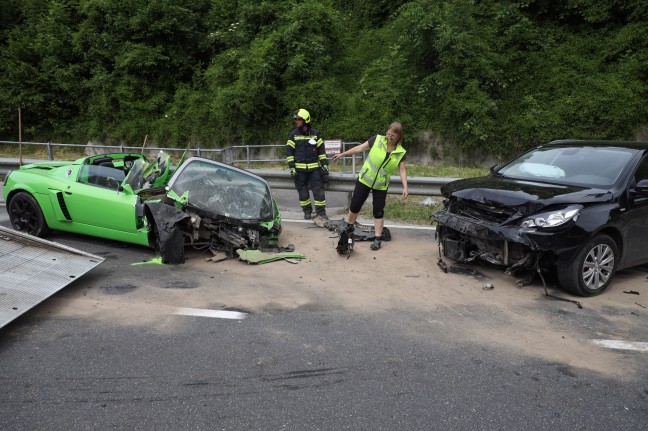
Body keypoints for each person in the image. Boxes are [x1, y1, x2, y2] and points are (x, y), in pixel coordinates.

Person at [331, 122, 408, 250]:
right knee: (354, 206)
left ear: (399, 136)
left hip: (381, 185)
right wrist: (342, 154)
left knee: (378, 211)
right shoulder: (377, 140)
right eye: (388, 134)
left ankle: (377, 239)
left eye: (393, 136)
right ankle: (348, 229)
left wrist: (405, 187)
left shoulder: (401, 152)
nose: (389, 137)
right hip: (365, 180)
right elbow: (360, 148)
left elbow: (402, 170)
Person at [286, 108, 329, 219]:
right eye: (296, 120)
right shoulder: (293, 135)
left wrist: (324, 164)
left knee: (319, 191)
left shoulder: (315, 134)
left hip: (314, 169)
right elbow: (289, 153)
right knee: (303, 193)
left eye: (299, 120)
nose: (297, 122)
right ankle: (307, 212)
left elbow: (321, 152)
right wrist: (292, 167)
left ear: (306, 120)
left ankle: (321, 213)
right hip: (299, 171)